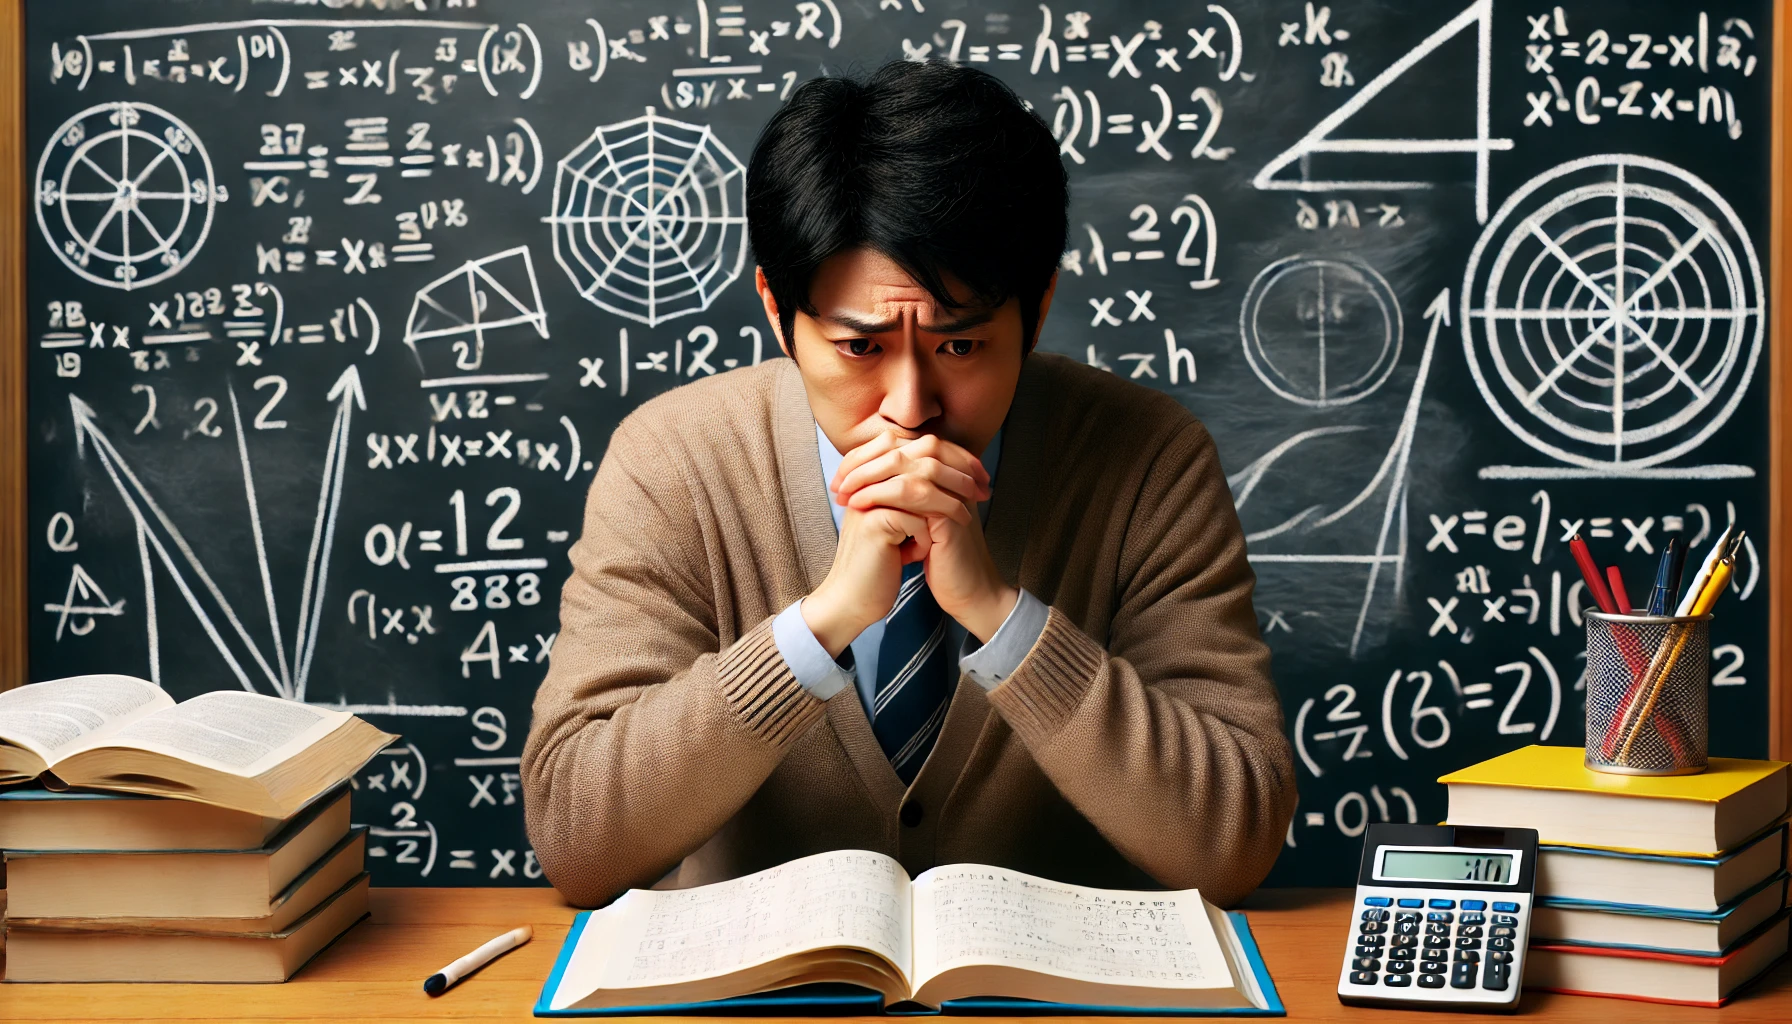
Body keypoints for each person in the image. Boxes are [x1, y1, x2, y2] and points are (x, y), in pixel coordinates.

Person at [521, 60, 1296, 909]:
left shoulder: (1150, 459)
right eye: (859, 349)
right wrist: (819, 627)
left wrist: (1006, 622)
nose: (911, 407)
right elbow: (575, 839)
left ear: (1036, 311)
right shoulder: (672, 461)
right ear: (778, 313)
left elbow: (1236, 841)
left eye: (960, 346)